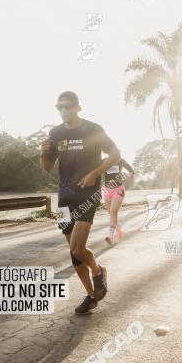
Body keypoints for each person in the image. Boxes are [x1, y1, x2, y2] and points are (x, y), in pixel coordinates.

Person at [42, 90, 120, 315]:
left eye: (68, 106)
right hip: (64, 198)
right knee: (73, 251)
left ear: (78, 107)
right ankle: (90, 296)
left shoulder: (93, 129)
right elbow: (47, 168)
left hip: (87, 195)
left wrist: (96, 173)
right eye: (60, 107)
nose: (64, 111)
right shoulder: (55, 133)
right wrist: (43, 154)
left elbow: (115, 154)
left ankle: (98, 271)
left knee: (77, 247)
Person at [104, 158, 134, 245]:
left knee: (113, 212)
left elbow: (129, 168)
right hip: (107, 190)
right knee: (110, 212)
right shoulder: (104, 161)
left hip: (118, 189)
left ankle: (110, 237)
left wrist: (131, 172)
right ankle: (118, 228)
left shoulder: (120, 160)